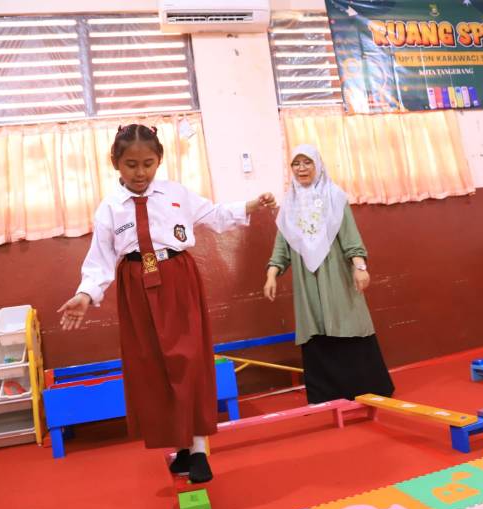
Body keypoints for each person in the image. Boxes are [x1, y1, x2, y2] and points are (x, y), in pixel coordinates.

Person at [58, 124, 276, 483]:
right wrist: (85, 294)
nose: (140, 173)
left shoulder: (175, 193)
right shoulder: (109, 208)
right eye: (131, 165)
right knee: (153, 366)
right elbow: (99, 259)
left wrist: (251, 204)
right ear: (115, 163)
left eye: (148, 163)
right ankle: (182, 447)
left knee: (189, 360)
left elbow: (214, 215)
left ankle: (199, 448)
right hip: (135, 286)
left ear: (159, 160)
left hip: (177, 278)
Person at [263, 144, 394, 404]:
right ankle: (326, 394)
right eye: (296, 163)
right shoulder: (289, 204)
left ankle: (367, 388)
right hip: (307, 279)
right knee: (315, 327)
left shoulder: (334, 196)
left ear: (318, 165)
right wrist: (271, 274)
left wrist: (359, 267)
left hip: (336, 275)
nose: (301, 168)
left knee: (347, 321)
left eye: (307, 162)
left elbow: (349, 235)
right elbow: (282, 245)